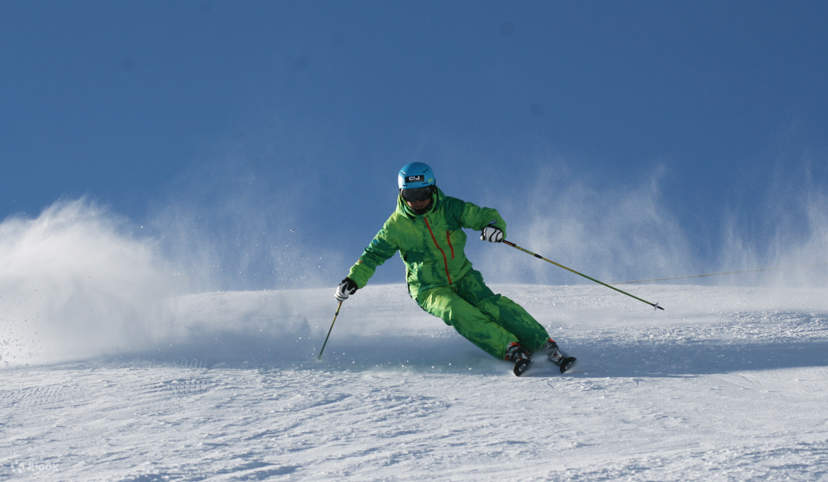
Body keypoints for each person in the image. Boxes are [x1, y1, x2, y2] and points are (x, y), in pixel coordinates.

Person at [335, 162, 575, 376]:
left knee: (492, 305)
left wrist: (494, 227)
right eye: (410, 194)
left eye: (422, 193)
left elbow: (485, 216)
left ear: (432, 189)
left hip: (463, 276)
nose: (417, 201)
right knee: (455, 309)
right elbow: (372, 256)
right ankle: (509, 348)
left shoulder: (449, 208)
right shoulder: (395, 226)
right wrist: (353, 280)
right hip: (428, 287)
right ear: (401, 193)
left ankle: (543, 344)